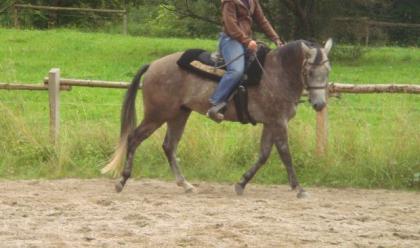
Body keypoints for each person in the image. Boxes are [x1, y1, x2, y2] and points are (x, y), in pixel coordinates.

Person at [207, 0, 284, 122]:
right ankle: (215, 103)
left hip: (246, 41)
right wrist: (247, 41)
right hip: (231, 40)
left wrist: (276, 39)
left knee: (259, 69)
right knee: (237, 71)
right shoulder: (229, 1)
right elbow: (230, 24)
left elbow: (262, 20)